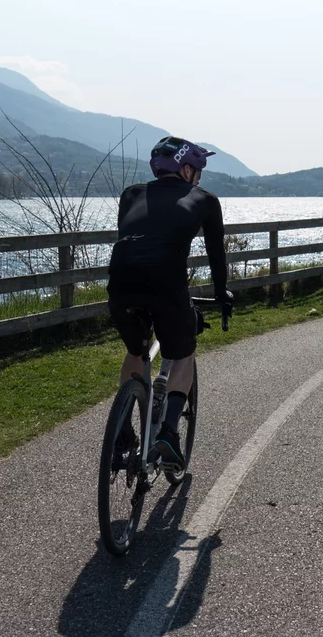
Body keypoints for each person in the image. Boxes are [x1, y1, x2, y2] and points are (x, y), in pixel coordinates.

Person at [107, 136, 231, 471]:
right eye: (198, 170)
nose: (199, 178)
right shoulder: (204, 199)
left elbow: (134, 236)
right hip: (166, 284)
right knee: (183, 352)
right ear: (186, 168)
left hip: (120, 283)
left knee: (136, 351)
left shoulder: (131, 194)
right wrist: (222, 294)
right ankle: (168, 433)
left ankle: (122, 432)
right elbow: (216, 255)